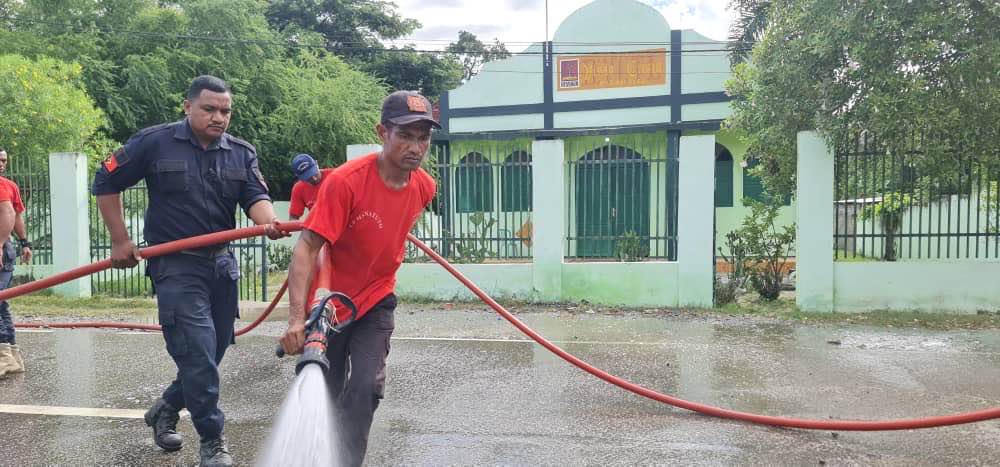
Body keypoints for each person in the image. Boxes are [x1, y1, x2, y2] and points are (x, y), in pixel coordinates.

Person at [93, 75, 286, 467]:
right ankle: (212, 440)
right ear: (187, 106)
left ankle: (165, 407)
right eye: (209, 109)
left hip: (221, 265)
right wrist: (119, 240)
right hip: (176, 267)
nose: (219, 118)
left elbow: (255, 196)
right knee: (197, 355)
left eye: (225, 111)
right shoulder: (154, 141)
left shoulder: (240, 152)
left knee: (211, 355)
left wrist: (269, 221)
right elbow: (105, 181)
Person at [280, 90, 438, 467]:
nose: (415, 147)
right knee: (326, 388)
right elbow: (306, 248)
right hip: (330, 303)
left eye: (423, 137)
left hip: (377, 299)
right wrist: (297, 319)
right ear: (382, 132)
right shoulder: (346, 183)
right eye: (405, 135)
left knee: (366, 387)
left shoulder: (424, 187)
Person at [0, 148, 32, 377]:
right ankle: (12, 356)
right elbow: (18, 216)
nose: (2, 163)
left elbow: (10, 213)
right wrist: (25, 243)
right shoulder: (9, 185)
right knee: (1, 302)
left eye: (4, 160)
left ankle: (4, 357)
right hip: (7, 248)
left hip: (1, 249)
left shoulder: (3, 185)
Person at [287, 153, 333, 220]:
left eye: (315, 173)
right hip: (319, 226)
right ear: (299, 177)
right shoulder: (298, 189)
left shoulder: (334, 176)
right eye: (308, 178)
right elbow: (294, 217)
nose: (314, 178)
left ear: (317, 163)